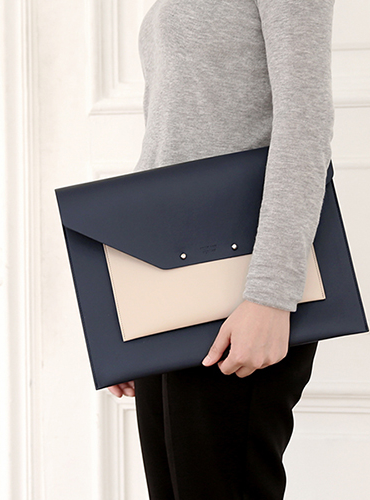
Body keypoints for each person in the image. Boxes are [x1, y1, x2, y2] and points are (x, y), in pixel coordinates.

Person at [107, 0, 335, 498]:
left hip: (243, 284)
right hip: (172, 284)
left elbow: (305, 126)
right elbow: (165, 145)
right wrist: (129, 316)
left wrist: (271, 295)